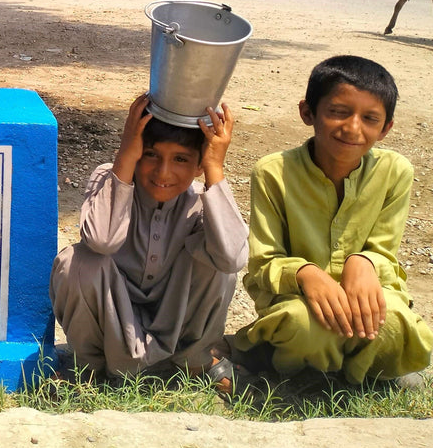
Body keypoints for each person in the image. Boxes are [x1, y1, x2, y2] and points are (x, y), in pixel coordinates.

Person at [234, 55, 433, 386]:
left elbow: (384, 251)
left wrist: (364, 262)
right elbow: (264, 261)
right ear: (308, 112)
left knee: (399, 324)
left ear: (386, 129)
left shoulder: (396, 172)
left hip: (366, 293)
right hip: (299, 300)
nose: (353, 128)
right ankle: (345, 368)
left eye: (370, 118)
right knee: (301, 325)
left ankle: (323, 368)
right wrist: (306, 274)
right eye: (338, 112)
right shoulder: (273, 173)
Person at [50, 94, 248, 390]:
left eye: (181, 159)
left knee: (220, 262)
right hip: (114, 321)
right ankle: (88, 368)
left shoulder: (200, 203)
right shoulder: (108, 178)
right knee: (75, 261)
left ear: (197, 164)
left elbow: (233, 258)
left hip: (174, 318)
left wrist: (214, 169)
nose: (163, 172)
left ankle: (195, 360)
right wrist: (125, 156)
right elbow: (101, 241)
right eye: (150, 154)